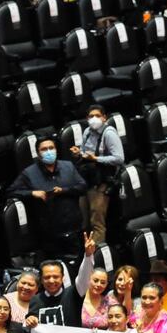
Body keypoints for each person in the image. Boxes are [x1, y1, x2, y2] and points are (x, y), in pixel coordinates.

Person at [8, 136, 87, 258]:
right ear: (38, 153)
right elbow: (11, 191)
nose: (49, 151)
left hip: (74, 229)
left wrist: (63, 191)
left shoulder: (68, 166)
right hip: (49, 234)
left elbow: (82, 187)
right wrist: (32, 193)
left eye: (51, 148)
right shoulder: (29, 173)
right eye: (44, 149)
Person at [69, 104, 124, 244]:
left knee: (97, 222)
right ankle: (86, 253)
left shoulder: (109, 133)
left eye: (97, 116)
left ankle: (97, 256)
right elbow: (84, 154)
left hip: (102, 182)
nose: (94, 119)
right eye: (91, 116)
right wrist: (78, 154)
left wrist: (96, 158)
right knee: (84, 221)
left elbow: (119, 158)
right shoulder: (87, 131)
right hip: (87, 180)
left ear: (104, 118)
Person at [81, 265, 118, 329]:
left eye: (103, 282)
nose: (99, 285)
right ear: (88, 280)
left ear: (106, 284)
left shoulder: (111, 303)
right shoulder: (76, 302)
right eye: (95, 281)